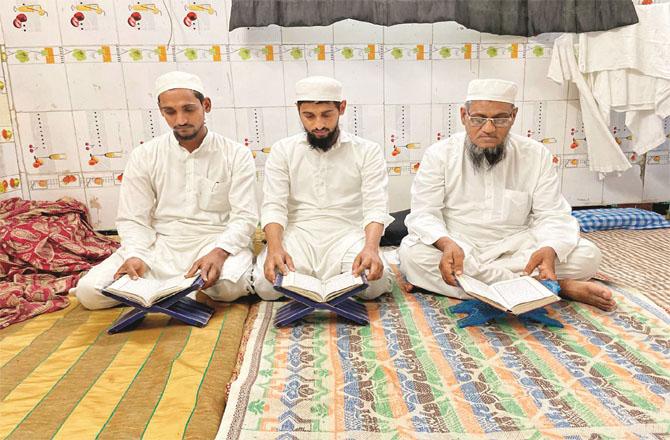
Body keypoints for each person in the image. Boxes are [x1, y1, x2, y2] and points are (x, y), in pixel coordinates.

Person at [398, 78, 616, 311]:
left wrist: (550, 249)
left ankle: (490, 287)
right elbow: (424, 214)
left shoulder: (535, 154)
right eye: (478, 118)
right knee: (413, 256)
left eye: (500, 119)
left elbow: (552, 214)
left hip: (516, 247)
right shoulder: (439, 154)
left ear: (513, 116)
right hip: (460, 246)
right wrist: (445, 243)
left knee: (587, 256)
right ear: (464, 115)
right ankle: (558, 288)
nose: (489, 128)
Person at [74, 71, 258, 309]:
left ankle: (158, 295)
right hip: (160, 246)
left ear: (206, 105)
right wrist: (136, 255)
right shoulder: (145, 155)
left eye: (189, 109)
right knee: (89, 293)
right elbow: (133, 218)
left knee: (227, 286)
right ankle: (179, 295)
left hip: (213, 243)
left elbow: (245, 216)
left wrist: (220, 252)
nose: (180, 119)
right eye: (170, 112)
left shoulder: (235, 154)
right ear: (162, 112)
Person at [254, 76, 393, 300]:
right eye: (309, 116)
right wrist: (275, 248)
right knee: (265, 285)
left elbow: (376, 206)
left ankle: (312, 282)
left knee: (374, 285)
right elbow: (274, 205)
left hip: (347, 234)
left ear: (342, 108)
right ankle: (323, 281)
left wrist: (370, 248)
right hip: (299, 234)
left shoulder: (367, 151)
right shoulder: (283, 150)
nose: (318, 124)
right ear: (298, 111)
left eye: (327, 115)